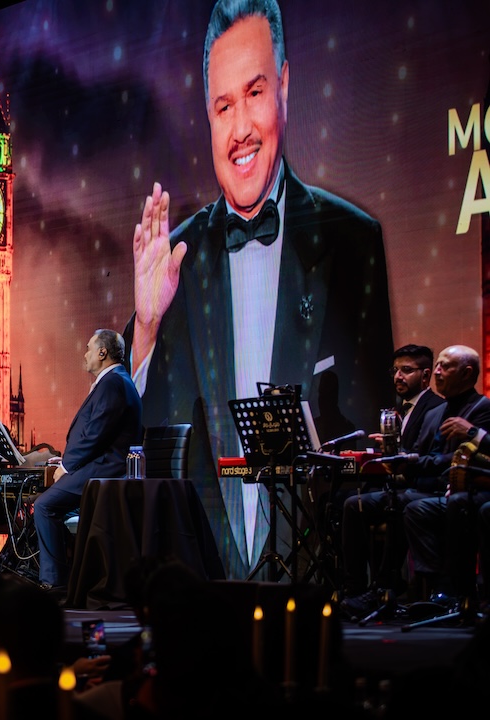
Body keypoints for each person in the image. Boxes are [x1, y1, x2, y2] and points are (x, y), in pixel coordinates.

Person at [124, 0, 394, 579]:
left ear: (285, 87)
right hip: (203, 583)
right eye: (224, 106)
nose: (241, 128)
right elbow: (146, 435)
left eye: (255, 92)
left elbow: (370, 446)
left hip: (318, 581)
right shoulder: (177, 258)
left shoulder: (351, 240)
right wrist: (146, 326)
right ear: (208, 116)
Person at [32, 329, 142, 593]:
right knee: (51, 504)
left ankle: (54, 581)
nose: (85, 354)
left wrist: (67, 466)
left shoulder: (113, 382)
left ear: (102, 352)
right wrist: (66, 459)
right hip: (99, 466)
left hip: (106, 470)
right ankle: (74, 575)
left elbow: (96, 433)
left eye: (89, 348)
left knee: (44, 505)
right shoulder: (115, 380)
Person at [336, 345, 443, 614]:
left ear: (425, 375)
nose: (398, 376)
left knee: (388, 503)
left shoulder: (437, 407)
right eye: (395, 370)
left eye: (406, 370)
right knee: (347, 502)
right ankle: (353, 588)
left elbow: (427, 456)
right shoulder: (401, 410)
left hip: (424, 487)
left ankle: (383, 586)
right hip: (401, 483)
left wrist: (395, 452)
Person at [400, 345, 490, 607]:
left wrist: (472, 433)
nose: (437, 372)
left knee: (454, 504)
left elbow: (471, 456)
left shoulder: (483, 408)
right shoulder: (435, 412)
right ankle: (433, 588)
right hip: (444, 487)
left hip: (470, 487)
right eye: (437, 365)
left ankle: (457, 591)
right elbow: (420, 454)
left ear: (467, 373)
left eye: (445, 366)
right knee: (389, 503)